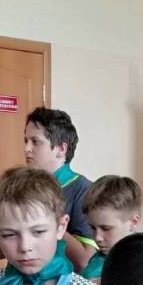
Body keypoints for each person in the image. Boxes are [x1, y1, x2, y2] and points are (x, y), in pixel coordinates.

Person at [23, 106, 97, 271]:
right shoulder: (24, 187)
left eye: (35, 142)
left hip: (63, 283)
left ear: (61, 149)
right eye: (26, 141)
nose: (27, 148)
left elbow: (85, 260)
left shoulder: (84, 190)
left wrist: (45, 217)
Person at [80, 174, 142, 282]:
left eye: (106, 228)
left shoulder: (140, 267)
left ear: (133, 222)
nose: (97, 237)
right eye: (92, 227)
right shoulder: (100, 257)